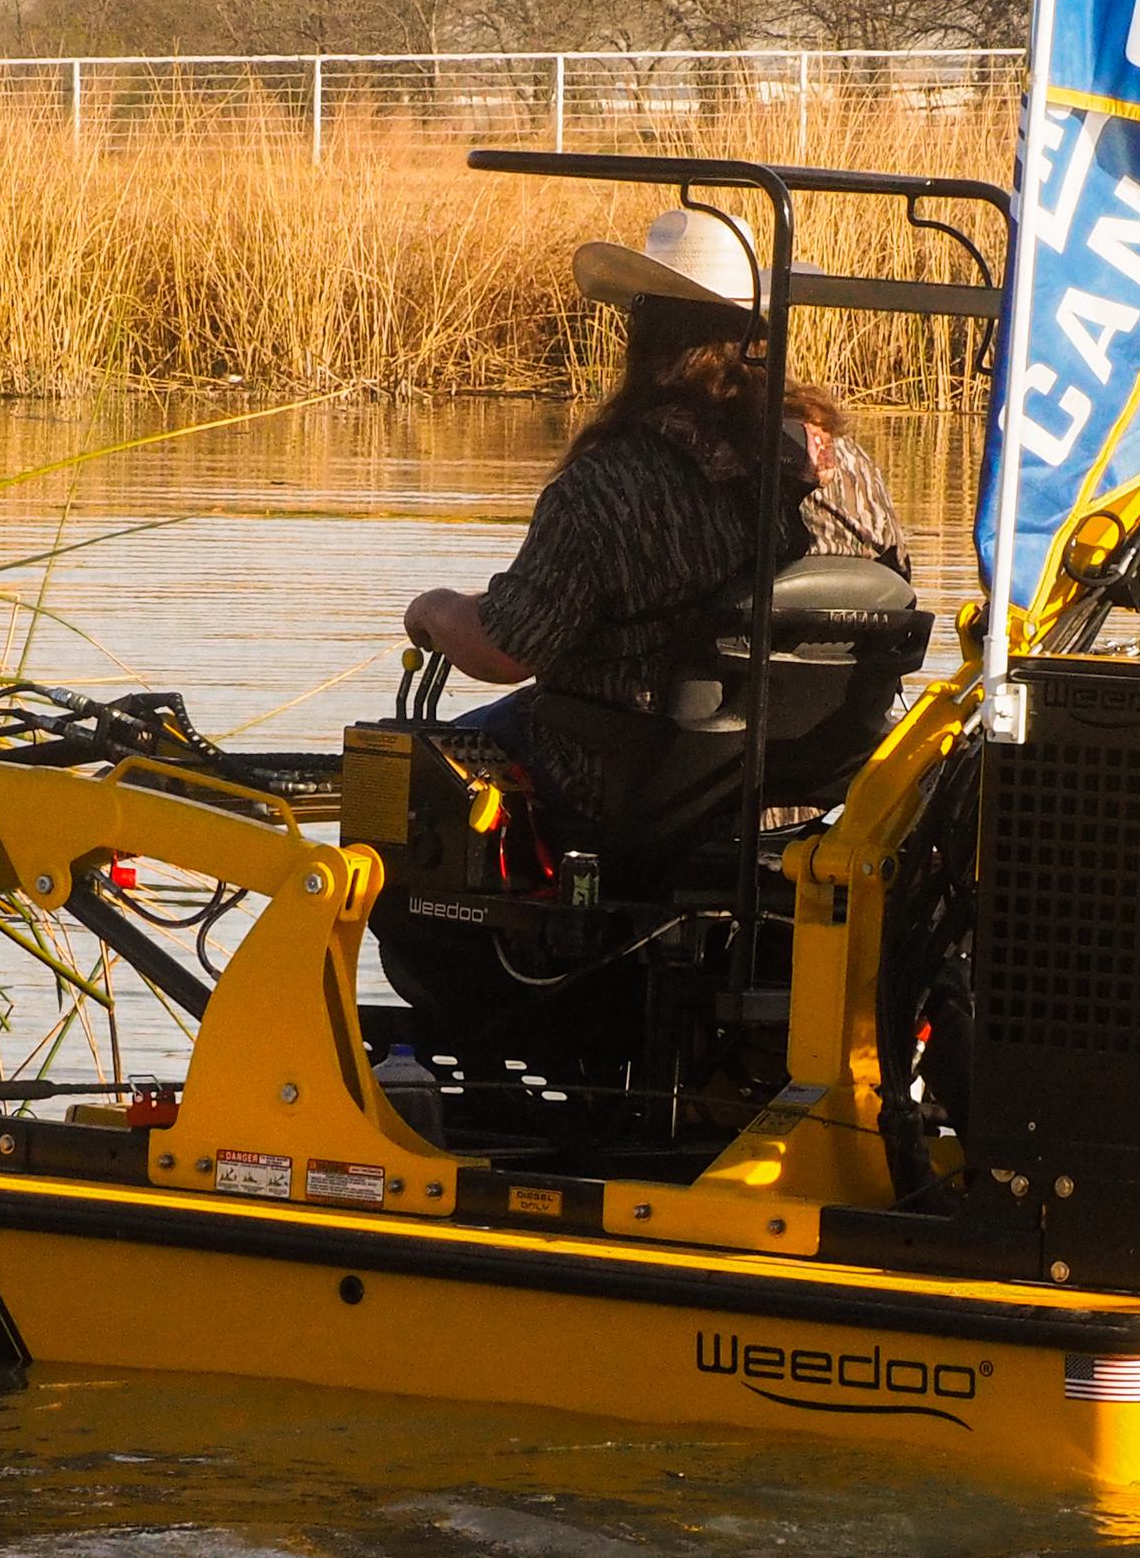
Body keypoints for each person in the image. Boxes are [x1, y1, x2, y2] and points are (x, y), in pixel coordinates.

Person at [382, 204, 911, 1060]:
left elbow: (507, 648)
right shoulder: (847, 471)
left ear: (645, 334)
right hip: (803, 792)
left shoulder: (612, 483)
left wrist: (437, 610)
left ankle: (524, 1041)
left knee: (413, 787)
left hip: (631, 786)